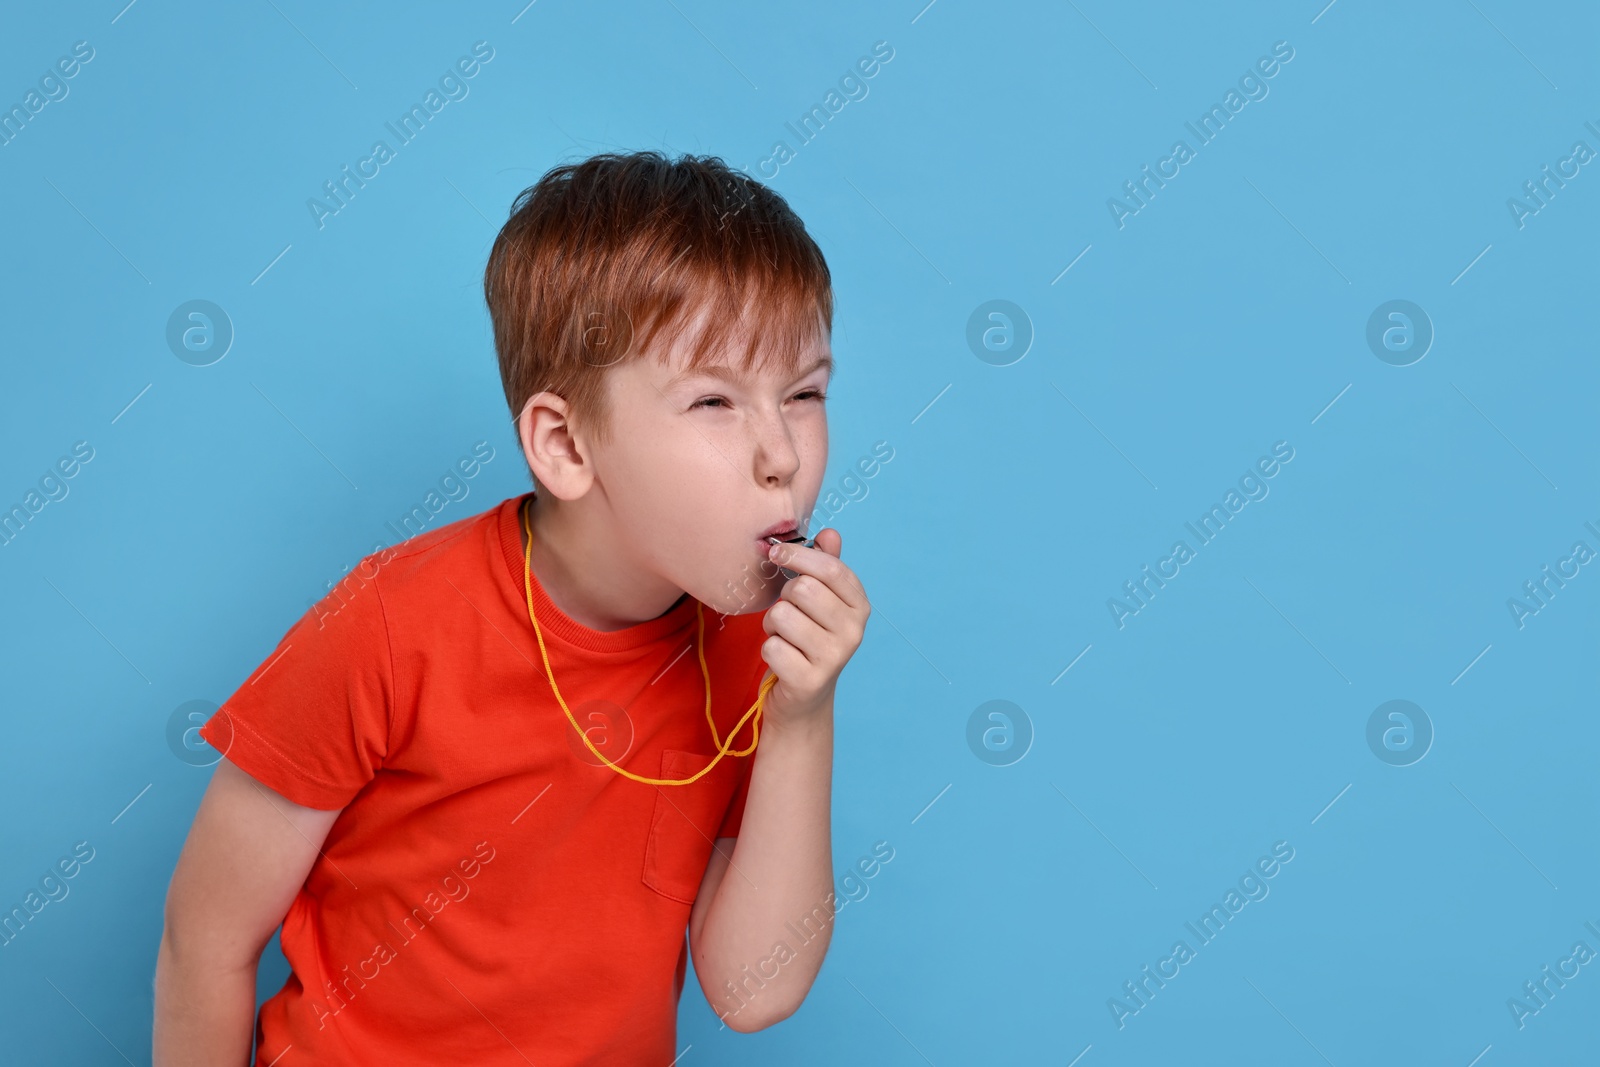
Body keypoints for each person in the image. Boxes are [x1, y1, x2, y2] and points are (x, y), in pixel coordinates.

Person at [153, 150, 870, 1065]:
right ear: (566, 444)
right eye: (713, 400)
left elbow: (753, 987)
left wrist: (803, 717)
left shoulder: (750, 645)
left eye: (804, 392)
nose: (782, 454)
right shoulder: (388, 622)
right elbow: (204, 939)